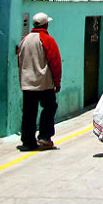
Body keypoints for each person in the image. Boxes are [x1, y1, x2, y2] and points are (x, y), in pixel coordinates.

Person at [17, 11, 62, 151]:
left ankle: (27, 141)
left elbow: (20, 60)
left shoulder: (24, 40)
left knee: (29, 113)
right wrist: (57, 81)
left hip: (27, 83)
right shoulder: (47, 40)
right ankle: (44, 136)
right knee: (49, 107)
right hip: (44, 82)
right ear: (46, 24)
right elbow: (55, 62)